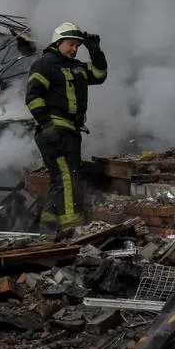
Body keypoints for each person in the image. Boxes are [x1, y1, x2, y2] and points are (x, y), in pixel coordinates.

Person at [25, 21, 108, 233]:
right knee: (69, 177)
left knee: (60, 179)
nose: (74, 49)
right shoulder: (45, 64)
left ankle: (48, 225)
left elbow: (99, 75)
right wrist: (47, 124)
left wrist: (95, 50)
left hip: (70, 131)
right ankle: (73, 228)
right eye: (71, 44)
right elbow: (33, 96)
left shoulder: (77, 67)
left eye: (77, 46)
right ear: (58, 42)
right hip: (54, 131)